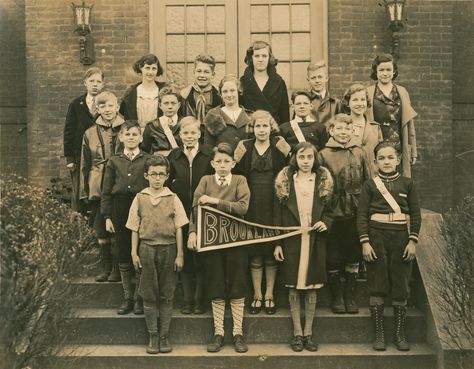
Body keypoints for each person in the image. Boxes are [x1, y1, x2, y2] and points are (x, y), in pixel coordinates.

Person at [357, 141, 421, 351]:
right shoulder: (369, 185)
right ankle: (379, 335)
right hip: (376, 236)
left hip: (401, 238)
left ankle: (400, 334)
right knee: (377, 282)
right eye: (381, 158)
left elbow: (416, 214)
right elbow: (362, 216)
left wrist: (412, 241)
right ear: (375, 162)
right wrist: (365, 242)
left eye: (390, 157)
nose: (386, 162)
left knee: (401, 284)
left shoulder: (408, 184)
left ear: (398, 159)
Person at [187, 143, 250, 354]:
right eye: (219, 162)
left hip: (236, 240)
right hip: (211, 241)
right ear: (212, 163)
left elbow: (243, 207)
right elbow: (195, 209)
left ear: (233, 163)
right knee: (215, 283)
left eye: (227, 161)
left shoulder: (240, 180)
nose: (223, 165)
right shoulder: (205, 181)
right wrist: (193, 232)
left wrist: (214, 200)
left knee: (237, 283)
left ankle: (238, 333)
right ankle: (219, 332)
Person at [273, 142, 334, 352]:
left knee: (311, 286)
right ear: (295, 159)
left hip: (315, 239)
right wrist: (278, 243)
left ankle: (309, 333)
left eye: (309, 157)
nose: (306, 162)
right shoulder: (286, 182)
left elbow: (331, 209)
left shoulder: (323, 180)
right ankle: (297, 333)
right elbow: (278, 215)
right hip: (292, 239)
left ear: (315, 159)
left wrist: (326, 221)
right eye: (302, 157)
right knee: (293, 284)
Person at [126, 155, 189, 354]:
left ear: (167, 176)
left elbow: (179, 228)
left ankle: (164, 335)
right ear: (146, 175)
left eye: (161, 174)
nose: (157, 178)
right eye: (153, 174)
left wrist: (180, 254)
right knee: (149, 293)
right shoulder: (139, 198)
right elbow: (134, 228)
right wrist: (133, 253)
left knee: (167, 293)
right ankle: (153, 335)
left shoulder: (173, 198)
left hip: (169, 248)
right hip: (146, 249)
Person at [234, 110, 290, 315]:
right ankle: (257, 295)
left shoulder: (279, 145)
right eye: (258, 126)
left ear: (271, 127)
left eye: (265, 126)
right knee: (255, 254)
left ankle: (270, 295)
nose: (262, 130)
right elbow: (236, 174)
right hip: (251, 204)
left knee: (271, 253)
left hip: (273, 203)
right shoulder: (244, 146)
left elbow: (288, 171)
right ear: (252, 128)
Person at [317, 114, 370, 314]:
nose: (343, 133)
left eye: (347, 129)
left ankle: (350, 294)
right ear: (331, 131)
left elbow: (368, 181)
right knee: (333, 254)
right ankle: (337, 296)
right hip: (332, 211)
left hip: (356, 210)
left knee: (353, 252)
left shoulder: (360, 152)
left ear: (352, 131)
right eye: (339, 129)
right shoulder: (324, 154)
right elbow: (321, 184)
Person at [101, 120, 151, 315]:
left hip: (141, 206)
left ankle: (139, 298)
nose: (131, 138)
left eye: (135, 135)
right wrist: (107, 216)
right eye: (127, 134)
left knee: (139, 250)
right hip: (120, 207)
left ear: (140, 137)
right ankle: (127, 297)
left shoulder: (147, 159)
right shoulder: (114, 161)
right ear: (121, 137)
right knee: (122, 250)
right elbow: (106, 191)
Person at [166, 117, 214, 315]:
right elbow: (168, 184)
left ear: (200, 134)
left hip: (204, 213)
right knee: (184, 254)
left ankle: (200, 301)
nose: (189, 137)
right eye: (185, 133)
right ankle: (187, 300)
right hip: (181, 213)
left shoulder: (208, 154)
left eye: (193, 133)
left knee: (202, 258)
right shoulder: (174, 156)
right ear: (179, 135)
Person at [79, 91, 125, 283]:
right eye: (102, 106)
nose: (107, 110)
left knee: (117, 228)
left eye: (110, 105)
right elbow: (85, 164)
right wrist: (84, 191)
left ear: (117, 107)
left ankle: (117, 268)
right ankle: (105, 267)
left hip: (118, 185)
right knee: (101, 229)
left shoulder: (126, 129)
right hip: (98, 185)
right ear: (97, 109)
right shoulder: (89, 133)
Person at [365, 53, 417, 177]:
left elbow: (409, 124)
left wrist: (413, 151)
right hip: (377, 143)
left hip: (398, 144)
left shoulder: (402, 92)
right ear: (376, 72)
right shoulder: (368, 92)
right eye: (381, 70)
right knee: (376, 180)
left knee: (398, 181)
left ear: (394, 72)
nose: (385, 73)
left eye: (388, 70)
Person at [64, 67, 104, 212]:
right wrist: (69, 158)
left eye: (98, 81)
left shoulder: (106, 104)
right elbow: (69, 131)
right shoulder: (76, 105)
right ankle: (81, 226)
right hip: (79, 155)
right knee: (80, 189)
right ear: (85, 83)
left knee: (97, 188)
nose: (95, 84)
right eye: (91, 81)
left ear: (103, 85)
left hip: (100, 155)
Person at [240, 40, 290, 125]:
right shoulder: (243, 82)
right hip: (250, 131)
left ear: (269, 58)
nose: (260, 59)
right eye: (256, 56)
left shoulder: (279, 82)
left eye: (264, 56)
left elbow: (284, 115)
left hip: (274, 131)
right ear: (251, 58)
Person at [341, 83, 383, 177]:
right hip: (350, 176)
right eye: (355, 100)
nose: (359, 104)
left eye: (363, 100)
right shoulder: (341, 126)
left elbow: (380, 154)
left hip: (372, 175)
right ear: (348, 103)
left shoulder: (375, 127)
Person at [120, 54, 167, 130]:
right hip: (136, 136)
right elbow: (124, 116)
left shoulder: (164, 90)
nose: (150, 72)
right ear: (141, 68)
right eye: (147, 68)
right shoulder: (131, 92)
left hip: (159, 136)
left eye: (154, 68)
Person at [203, 75, 250, 150]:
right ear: (221, 94)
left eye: (232, 90)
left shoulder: (250, 116)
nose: (229, 95)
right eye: (225, 91)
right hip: (222, 160)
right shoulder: (213, 115)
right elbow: (208, 146)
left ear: (238, 91)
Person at [180, 54, 223, 124]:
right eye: (199, 71)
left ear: (213, 75)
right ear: (194, 73)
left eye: (206, 72)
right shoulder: (184, 95)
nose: (202, 75)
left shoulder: (220, 95)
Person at [142, 87, 182, 156]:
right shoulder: (151, 126)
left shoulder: (185, 124)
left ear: (179, 105)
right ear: (160, 105)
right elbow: (145, 151)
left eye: (173, 103)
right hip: (159, 164)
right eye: (166, 103)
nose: (170, 107)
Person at [306, 61, 341, 130]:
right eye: (313, 78)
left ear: (326, 78)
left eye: (320, 77)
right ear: (308, 80)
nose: (317, 81)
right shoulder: (304, 101)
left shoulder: (336, 103)